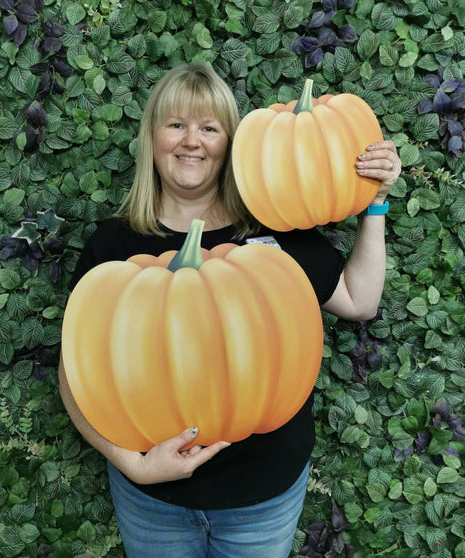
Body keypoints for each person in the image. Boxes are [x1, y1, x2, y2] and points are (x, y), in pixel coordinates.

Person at [58, 62, 401, 557]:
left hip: (263, 496)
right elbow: (74, 376)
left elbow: (359, 300)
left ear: (231, 143)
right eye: (175, 124)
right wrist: (129, 464)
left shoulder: (271, 233)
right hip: (154, 502)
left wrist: (375, 203)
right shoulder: (114, 246)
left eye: (209, 128)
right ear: (152, 138)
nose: (191, 141)